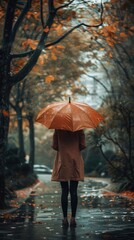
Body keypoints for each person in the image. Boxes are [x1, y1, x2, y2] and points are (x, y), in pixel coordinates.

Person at [51, 129, 86, 228]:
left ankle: (65, 219)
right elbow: (83, 145)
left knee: (64, 190)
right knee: (74, 190)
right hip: (75, 161)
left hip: (63, 161)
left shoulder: (58, 128)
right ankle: (73, 219)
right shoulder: (79, 128)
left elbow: (55, 146)